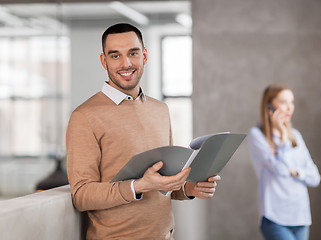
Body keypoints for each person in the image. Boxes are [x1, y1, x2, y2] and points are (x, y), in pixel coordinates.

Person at [66, 23, 220, 240]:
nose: (126, 63)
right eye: (115, 56)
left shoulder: (160, 110)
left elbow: (163, 182)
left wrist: (190, 188)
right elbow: (81, 195)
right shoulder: (84, 116)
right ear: (104, 61)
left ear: (144, 55)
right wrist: (139, 185)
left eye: (133, 53)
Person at [247, 83, 321, 240]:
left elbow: (315, 177)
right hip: (275, 217)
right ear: (269, 106)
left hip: (300, 216)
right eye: (283, 102)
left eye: (291, 102)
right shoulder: (257, 135)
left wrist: (296, 172)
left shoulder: (296, 136)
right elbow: (280, 170)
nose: (290, 108)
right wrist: (283, 137)